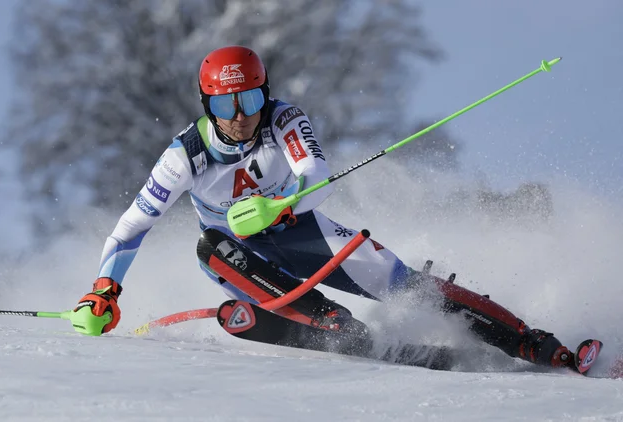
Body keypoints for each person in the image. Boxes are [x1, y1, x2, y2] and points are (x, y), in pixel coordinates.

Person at [74, 45, 575, 369]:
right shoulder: (184, 155)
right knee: (210, 246)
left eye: (249, 100)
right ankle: (335, 326)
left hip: (302, 231)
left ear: (263, 94)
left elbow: (317, 176)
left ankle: (530, 342)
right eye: (226, 106)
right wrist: (103, 290)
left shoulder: (283, 118)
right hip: (242, 260)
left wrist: (276, 206)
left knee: (410, 287)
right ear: (208, 106)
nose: (241, 117)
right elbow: (131, 226)